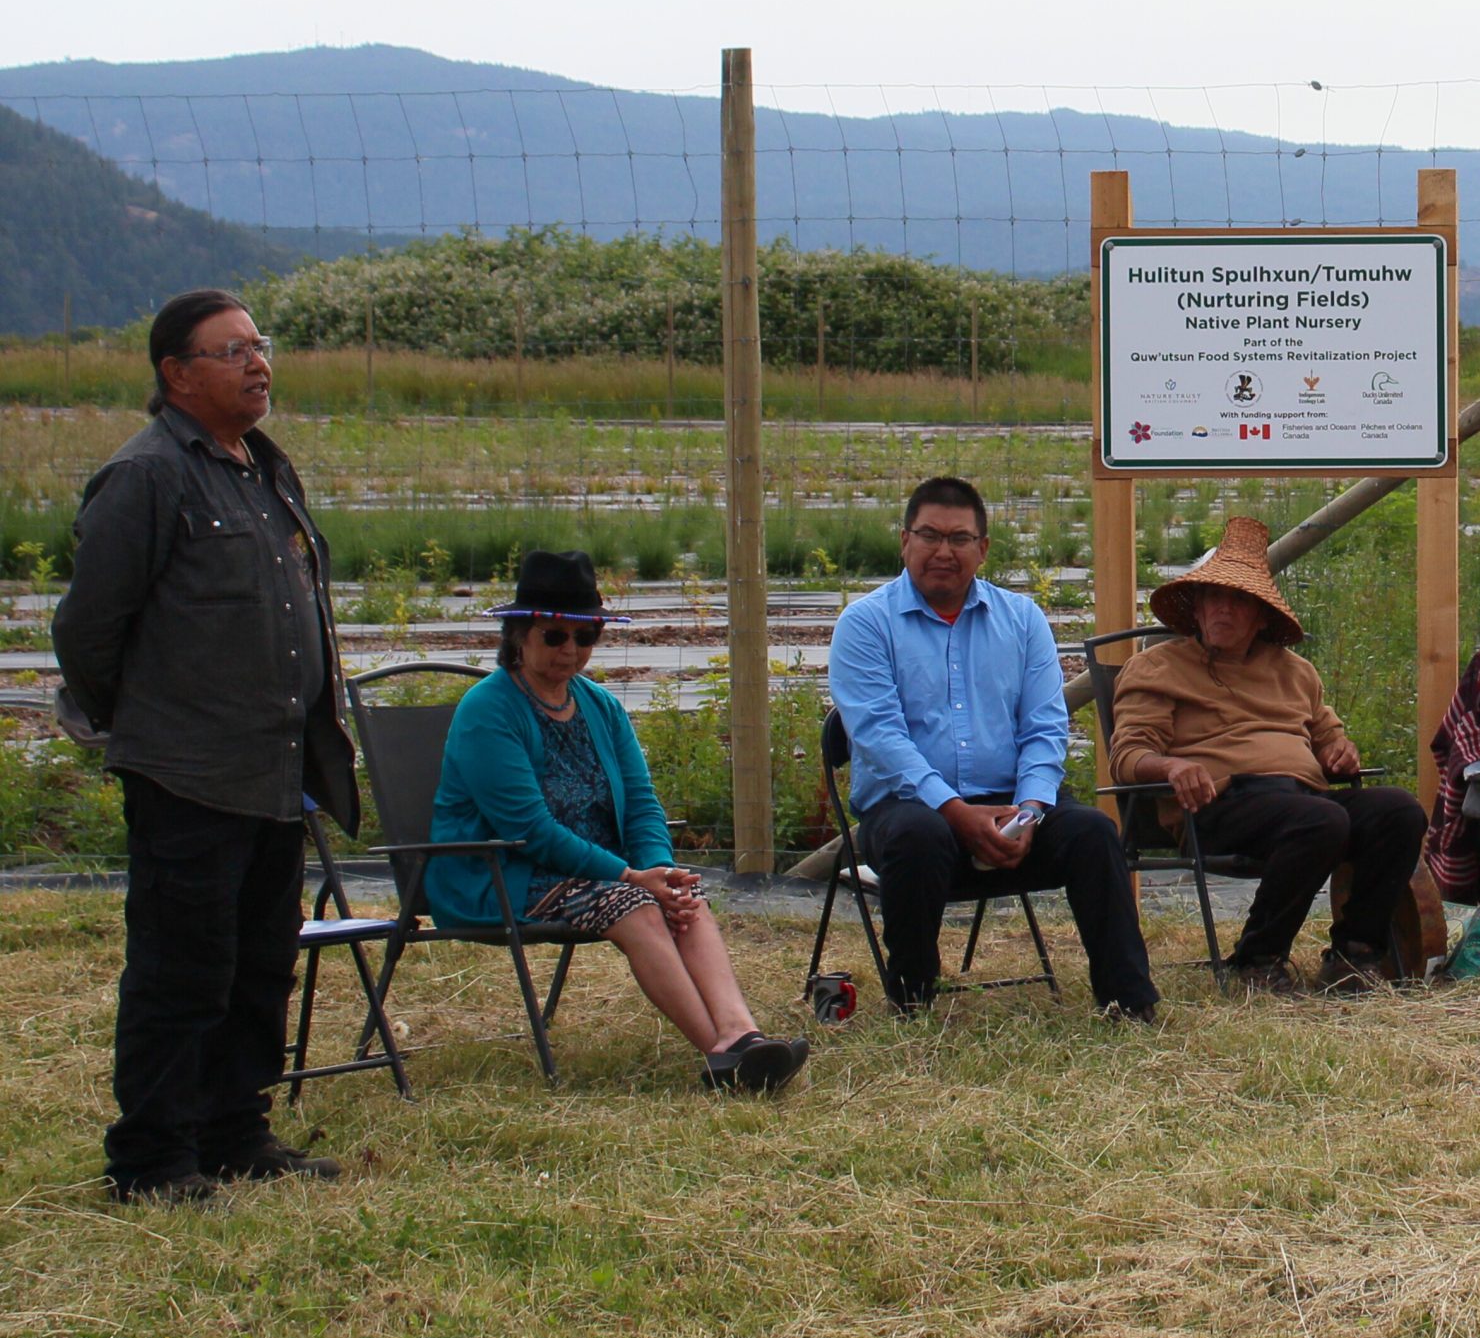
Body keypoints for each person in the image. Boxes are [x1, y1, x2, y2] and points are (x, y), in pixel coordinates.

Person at [52, 291, 356, 1202]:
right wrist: (153, 724)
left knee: (260, 959)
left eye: (260, 346)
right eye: (231, 352)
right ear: (176, 375)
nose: (257, 364)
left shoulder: (264, 471)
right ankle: (152, 1158)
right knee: (181, 970)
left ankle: (235, 1131)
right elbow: (88, 632)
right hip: (189, 772)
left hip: (275, 771)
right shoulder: (146, 477)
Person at [428, 551, 809, 1092]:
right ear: (520, 634)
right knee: (632, 904)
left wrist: (659, 867)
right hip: (506, 874)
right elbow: (529, 830)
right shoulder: (487, 710)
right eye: (556, 635)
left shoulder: (601, 706)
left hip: (596, 874)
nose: (571, 651)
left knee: (685, 896)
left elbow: (641, 801)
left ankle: (742, 1034)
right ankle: (723, 1055)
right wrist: (631, 878)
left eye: (587, 638)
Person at [829, 477, 1158, 1019]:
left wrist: (1028, 813)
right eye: (929, 535)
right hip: (908, 810)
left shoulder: (1022, 619)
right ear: (904, 541)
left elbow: (1045, 729)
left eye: (959, 539)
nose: (943, 551)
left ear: (982, 549)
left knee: (1094, 832)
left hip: (1012, 806)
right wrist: (959, 814)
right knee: (919, 834)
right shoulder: (865, 624)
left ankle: (1130, 1003)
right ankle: (911, 999)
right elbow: (882, 739)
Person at [1108, 517, 1426, 994]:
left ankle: (1355, 954)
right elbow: (1129, 754)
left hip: (1302, 803)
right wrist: (1172, 765)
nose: (1224, 609)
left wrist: (1339, 752)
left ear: (1261, 616)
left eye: (1239, 600)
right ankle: (1257, 960)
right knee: (1320, 820)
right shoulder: (1157, 667)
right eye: (1214, 596)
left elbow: (1330, 739)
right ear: (1195, 607)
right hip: (1217, 806)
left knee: (1398, 810)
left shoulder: (1295, 672)